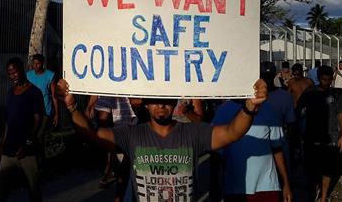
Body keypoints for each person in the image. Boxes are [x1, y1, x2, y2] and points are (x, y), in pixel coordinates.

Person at [57, 78, 267, 202]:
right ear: (145, 105)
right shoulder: (132, 134)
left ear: (175, 102)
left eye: (166, 100)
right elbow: (92, 135)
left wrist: (249, 107)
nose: (161, 105)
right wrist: (72, 106)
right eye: (154, 101)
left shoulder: (193, 133)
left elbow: (232, 132)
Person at [212, 62, 292, 202]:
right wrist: (215, 185)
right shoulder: (223, 111)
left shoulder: (269, 110)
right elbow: (216, 156)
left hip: (268, 186)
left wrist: (285, 183)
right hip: (235, 187)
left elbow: (277, 149)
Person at [0, 57, 45, 202]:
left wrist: (27, 144)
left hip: (27, 152)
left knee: (34, 191)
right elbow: (8, 122)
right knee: (0, 190)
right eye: (10, 73)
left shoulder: (34, 92)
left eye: (15, 72)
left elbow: (38, 121)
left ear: (22, 70)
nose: (13, 76)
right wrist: (2, 145)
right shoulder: (10, 92)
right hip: (9, 150)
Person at [296, 65, 342, 202]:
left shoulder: (337, 95)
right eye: (324, 80)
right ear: (318, 78)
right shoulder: (309, 93)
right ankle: (315, 191)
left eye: (329, 80)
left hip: (332, 138)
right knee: (313, 169)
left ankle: (323, 197)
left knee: (328, 169)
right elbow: (299, 112)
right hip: (312, 137)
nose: (327, 83)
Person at [27, 54, 58, 127]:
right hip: (31, 110)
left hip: (45, 110)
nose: (36, 66)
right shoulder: (28, 75)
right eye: (34, 63)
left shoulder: (50, 75)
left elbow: (54, 95)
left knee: (41, 133)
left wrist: (57, 113)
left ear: (42, 63)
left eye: (38, 63)